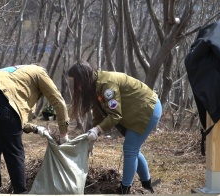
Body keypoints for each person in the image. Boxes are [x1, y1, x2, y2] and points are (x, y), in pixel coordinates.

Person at [0, 64, 70, 194]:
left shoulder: (19, 73)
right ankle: (21, 192)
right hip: (0, 96)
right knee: (14, 151)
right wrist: (64, 134)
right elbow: (58, 101)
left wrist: (35, 128)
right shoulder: (40, 72)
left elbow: (14, 119)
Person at [67, 60, 162, 194]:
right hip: (138, 110)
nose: (76, 87)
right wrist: (92, 137)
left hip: (147, 109)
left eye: (76, 82)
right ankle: (147, 186)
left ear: (83, 78)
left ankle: (124, 190)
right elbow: (99, 115)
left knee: (130, 149)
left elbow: (115, 115)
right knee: (134, 150)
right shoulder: (95, 85)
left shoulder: (106, 85)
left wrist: (97, 130)